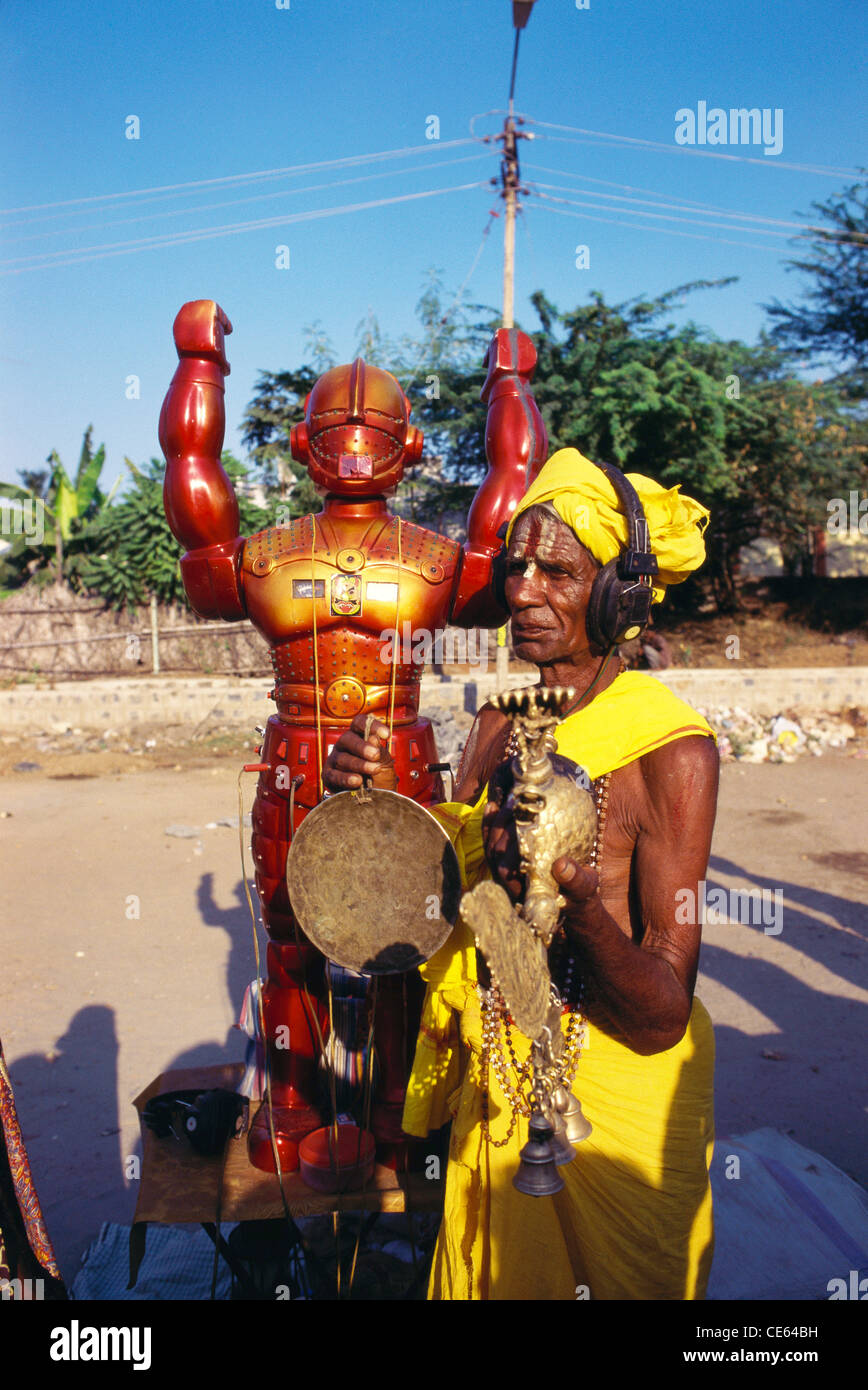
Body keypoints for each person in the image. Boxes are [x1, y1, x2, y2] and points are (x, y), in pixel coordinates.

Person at [324, 447, 719, 1301]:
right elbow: (445, 895)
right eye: (516, 567)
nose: (526, 592)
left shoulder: (672, 751)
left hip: (615, 1112)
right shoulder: (501, 723)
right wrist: (379, 804)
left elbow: (662, 1015)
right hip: (502, 1083)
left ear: (619, 591)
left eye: (560, 572)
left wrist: (577, 907)